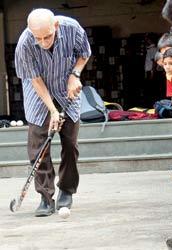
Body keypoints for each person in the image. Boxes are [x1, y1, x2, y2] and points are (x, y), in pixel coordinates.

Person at [15, 8, 91, 217]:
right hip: (38, 94)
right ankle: (45, 197)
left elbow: (85, 53)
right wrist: (52, 111)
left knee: (70, 144)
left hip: (67, 89)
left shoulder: (72, 28)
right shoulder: (25, 43)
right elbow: (35, 80)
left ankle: (66, 190)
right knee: (38, 148)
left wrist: (75, 74)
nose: (43, 42)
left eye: (47, 36)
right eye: (37, 38)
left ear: (55, 26)